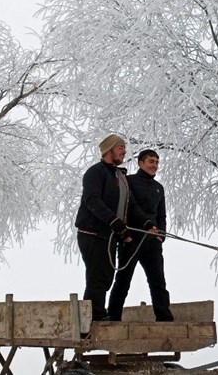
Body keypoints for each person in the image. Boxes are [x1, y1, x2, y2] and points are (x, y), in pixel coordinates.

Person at [75, 134, 156, 321]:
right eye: (120, 147)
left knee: (107, 276)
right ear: (109, 149)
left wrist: (147, 223)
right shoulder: (95, 173)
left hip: (110, 235)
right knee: (98, 276)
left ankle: (96, 315)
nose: (124, 151)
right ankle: (94, 318)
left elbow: (132, 205)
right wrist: (113, 220)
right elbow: (92, 200)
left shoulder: (120, 176)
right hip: (92, 233)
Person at [107, 148, 174, 322]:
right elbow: (130, 207)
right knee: (123, 280)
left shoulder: (159, 188)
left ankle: (164, 317)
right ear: (141, 163)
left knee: (158, 281)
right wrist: (130, 232)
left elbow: (161, 215)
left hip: (152, 241)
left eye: (157, 162)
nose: (155, 165)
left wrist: (161, 235)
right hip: (131, 239)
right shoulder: (129, 182)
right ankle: (113, 316)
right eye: (151, 161)